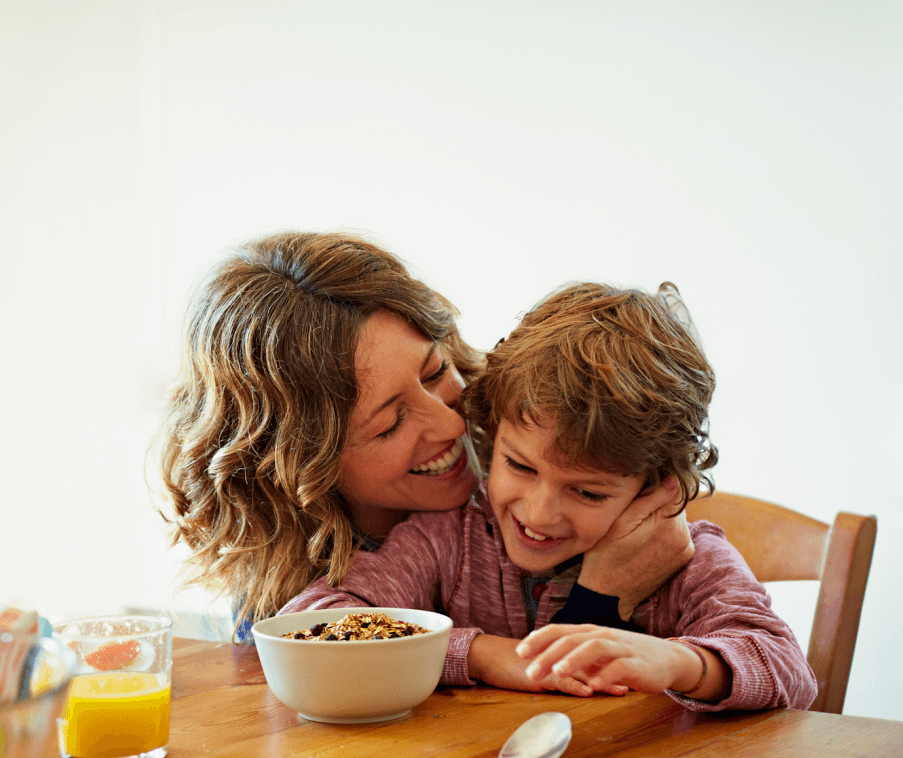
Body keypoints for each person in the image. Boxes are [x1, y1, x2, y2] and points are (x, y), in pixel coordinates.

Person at [281, 282, 817, 710]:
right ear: (493, 432)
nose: (539, 512)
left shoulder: (688, 560)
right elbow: (318, 619)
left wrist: (682, 664)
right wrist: (483, 655)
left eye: (586, 491)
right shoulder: (449, 538)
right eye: (518, 465)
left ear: (654, 487)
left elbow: (790, 672)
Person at [156, 231, 692, 642]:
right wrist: (595, 604)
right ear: (299, 463)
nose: (452, 424)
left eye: (435, 371)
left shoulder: (539, 468)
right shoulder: (291, 602)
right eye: (389, 423)